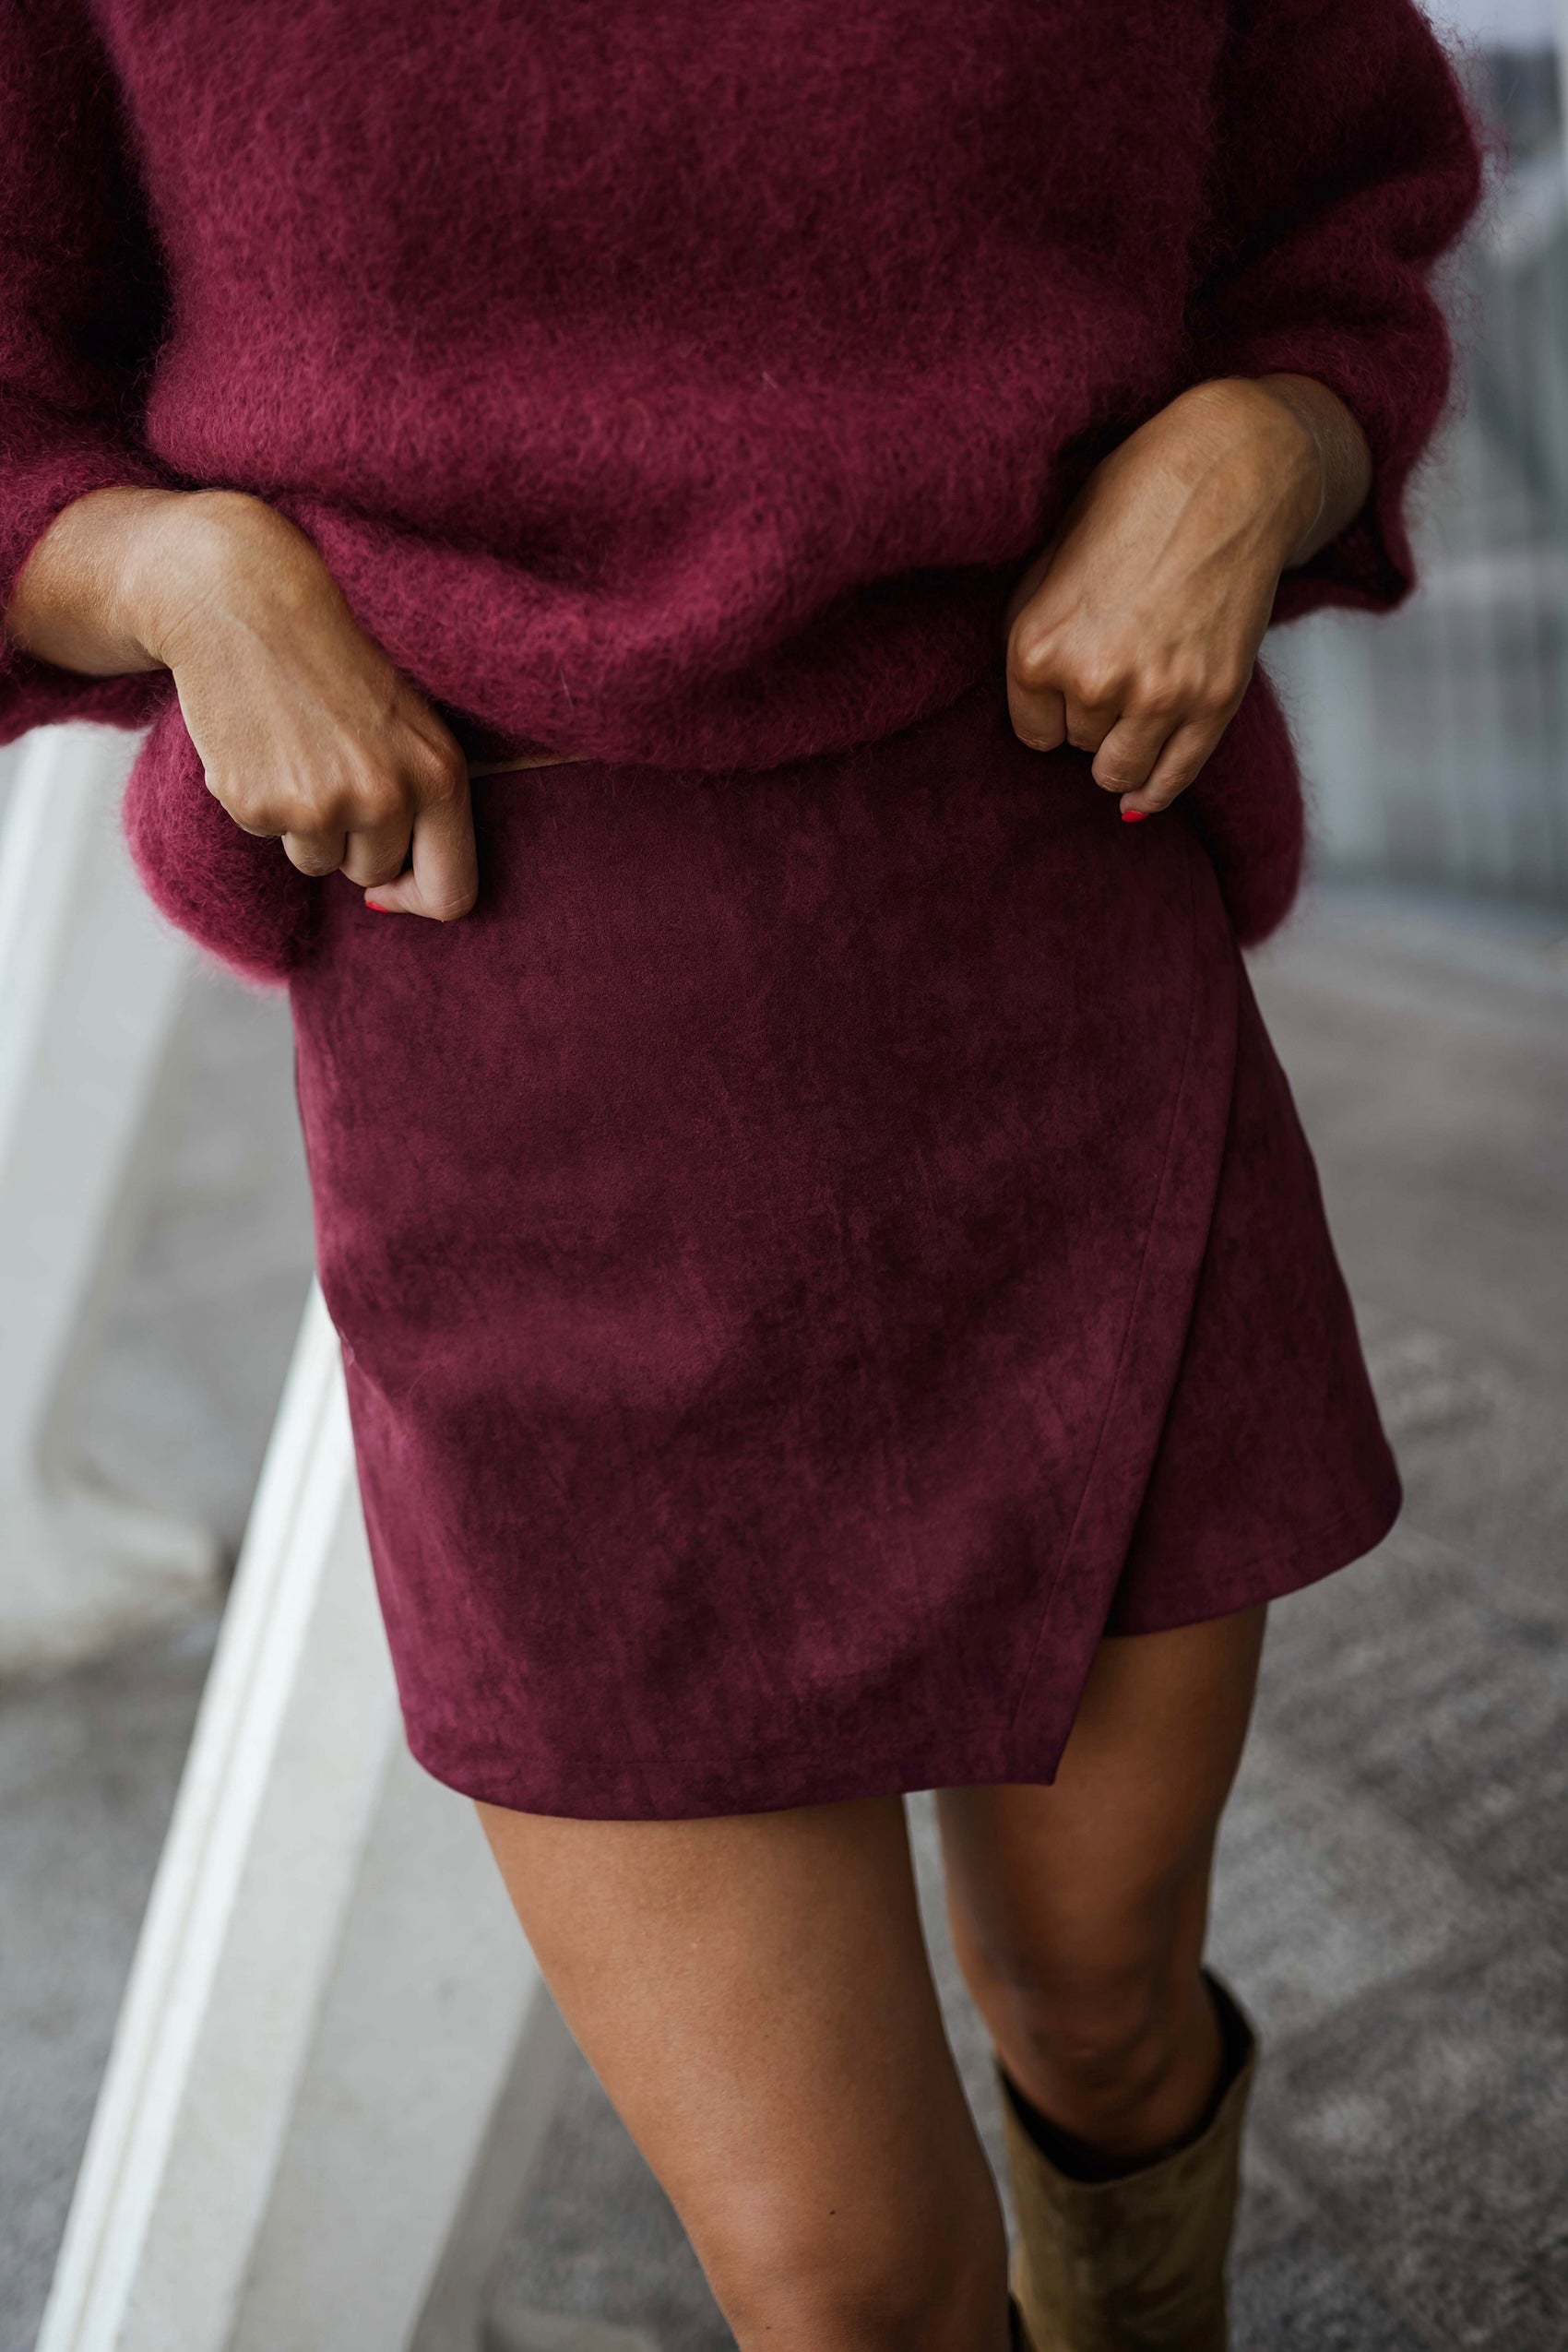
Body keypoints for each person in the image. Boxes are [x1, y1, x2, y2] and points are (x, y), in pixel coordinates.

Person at [0, 2, 1481, 2345]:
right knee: (840, 2279)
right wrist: (172, 571)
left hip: (1046, 945)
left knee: (1103, 2008)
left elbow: (1344, 217)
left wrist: (1253, 441)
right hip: (521, 1047)